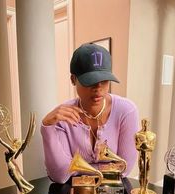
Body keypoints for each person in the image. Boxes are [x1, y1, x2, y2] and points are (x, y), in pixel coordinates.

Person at [41, 43, 139, 183]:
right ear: (73, 79)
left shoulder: (126, 111)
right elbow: (61, 176)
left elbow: (124, 169)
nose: (98, 88)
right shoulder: (63, 116)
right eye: (90, 81)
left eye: (104, 81)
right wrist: (46, 128)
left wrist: (78, 169)